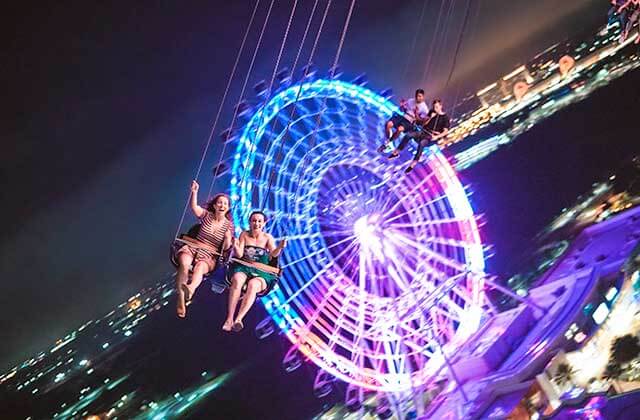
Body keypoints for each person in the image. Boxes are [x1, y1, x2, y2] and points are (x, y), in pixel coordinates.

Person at [175, 181, 233, 318]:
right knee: (184, 265)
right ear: (214, 205)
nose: (222, 205)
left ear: (228, 208)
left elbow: (226, 249)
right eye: (220, 202)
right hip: (194, 246)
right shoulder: (207, 215)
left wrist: (227, 239)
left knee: (200, 267)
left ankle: (190, 289)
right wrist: (194, 192)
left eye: (225, 204)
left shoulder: (229, 226)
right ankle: (181, 298)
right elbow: (194, 207)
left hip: (210, 254)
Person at [224, 211, 286, 332]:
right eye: (254, 221)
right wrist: (235, 245)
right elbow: (240, 254)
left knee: (253, 285)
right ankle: (229, 318)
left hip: (262, 270)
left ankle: (239, 319)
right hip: (244, 267)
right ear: (250, 222)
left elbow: (273, 254)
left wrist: (280, 247)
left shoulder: (268, 237)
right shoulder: (244, 235)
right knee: (237, 280)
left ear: (264, 223)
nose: (256, 223)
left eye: (259, 221)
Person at [388, 99, 450, 173]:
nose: (435, 109)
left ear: (440, 106)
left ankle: (413, 163)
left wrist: (437, 136)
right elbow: (423, 123)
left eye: (436, 107)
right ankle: (396, 152)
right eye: (434, 107)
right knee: (408, 135)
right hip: (423, 131)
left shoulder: (445, 118)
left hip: (431, 137)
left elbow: (445, 131)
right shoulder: (432, 113)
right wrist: (429, 118)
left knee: (422, 143)